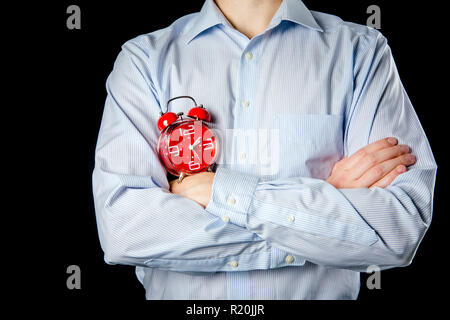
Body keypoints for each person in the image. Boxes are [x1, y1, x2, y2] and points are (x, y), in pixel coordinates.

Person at [92, 0, 437, 299]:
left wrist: (219, 192)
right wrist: (323, 204)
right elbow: (125, 232)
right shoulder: (144, 61)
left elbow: (399, 228)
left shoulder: (360, 52)